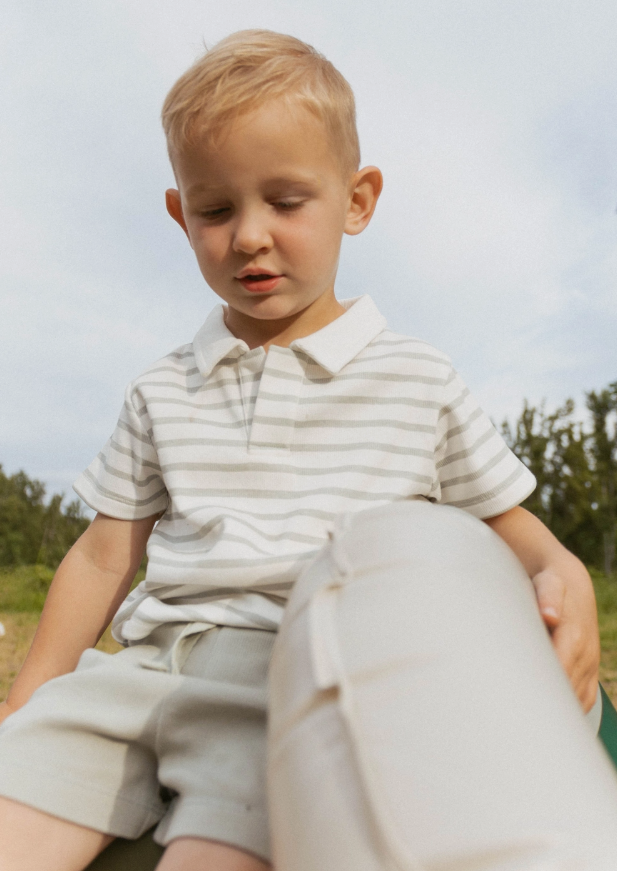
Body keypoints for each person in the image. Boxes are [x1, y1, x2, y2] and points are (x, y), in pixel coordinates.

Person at [0, 29, 615, 871]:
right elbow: (107, 554)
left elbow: (509, 525)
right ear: (181, 214)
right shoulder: (163, 387)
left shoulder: (416, 377)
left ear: (356, 200)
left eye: (285, 202)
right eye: (216, 210)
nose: (249, 235)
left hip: (289, 677)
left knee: (219, 848)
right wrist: (34, 690)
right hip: (144, 670)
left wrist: (567, 574)